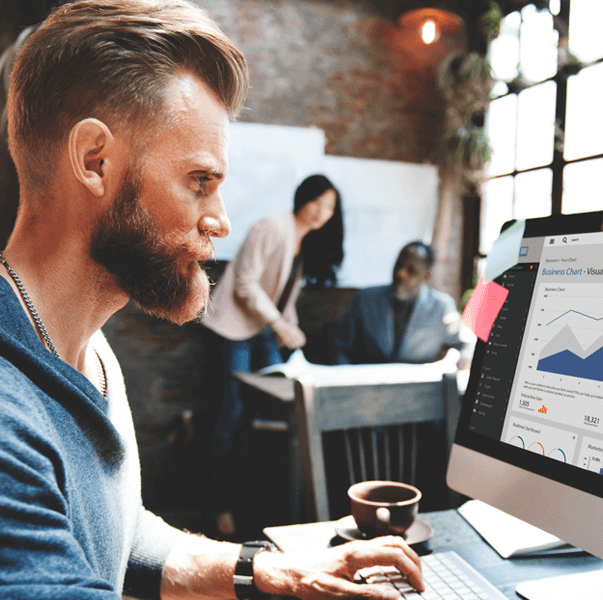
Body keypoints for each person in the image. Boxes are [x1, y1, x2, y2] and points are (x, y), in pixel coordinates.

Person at [0, 1, 424, 598]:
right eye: (200, 182)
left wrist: (269, 570)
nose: (221, 220)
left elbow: (123, 541)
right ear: (96, 161)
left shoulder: (90, 351)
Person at [203, 174, 343, 535]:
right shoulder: (270, 227)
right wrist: (280, 324)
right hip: (234, 329)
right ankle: (220, 505)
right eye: (319, 202)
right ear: (303, 197)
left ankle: (262, 503)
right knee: (232, 413)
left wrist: (290, 331)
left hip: (264, 331)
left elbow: (285, 297)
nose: (322, 213)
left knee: (273, 413)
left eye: (330, 208)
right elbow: (246, 285)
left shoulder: (304, 241)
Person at [329, 241, 473, 367]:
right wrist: (347, 376)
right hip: (368, 386)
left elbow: (466, 343)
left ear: (427, 275)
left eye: (411, 270)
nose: (401, 273)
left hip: (418, 388)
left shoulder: (441, 306)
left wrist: (464, 358)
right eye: (399, 265)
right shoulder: (365, 299)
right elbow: (340, 346)